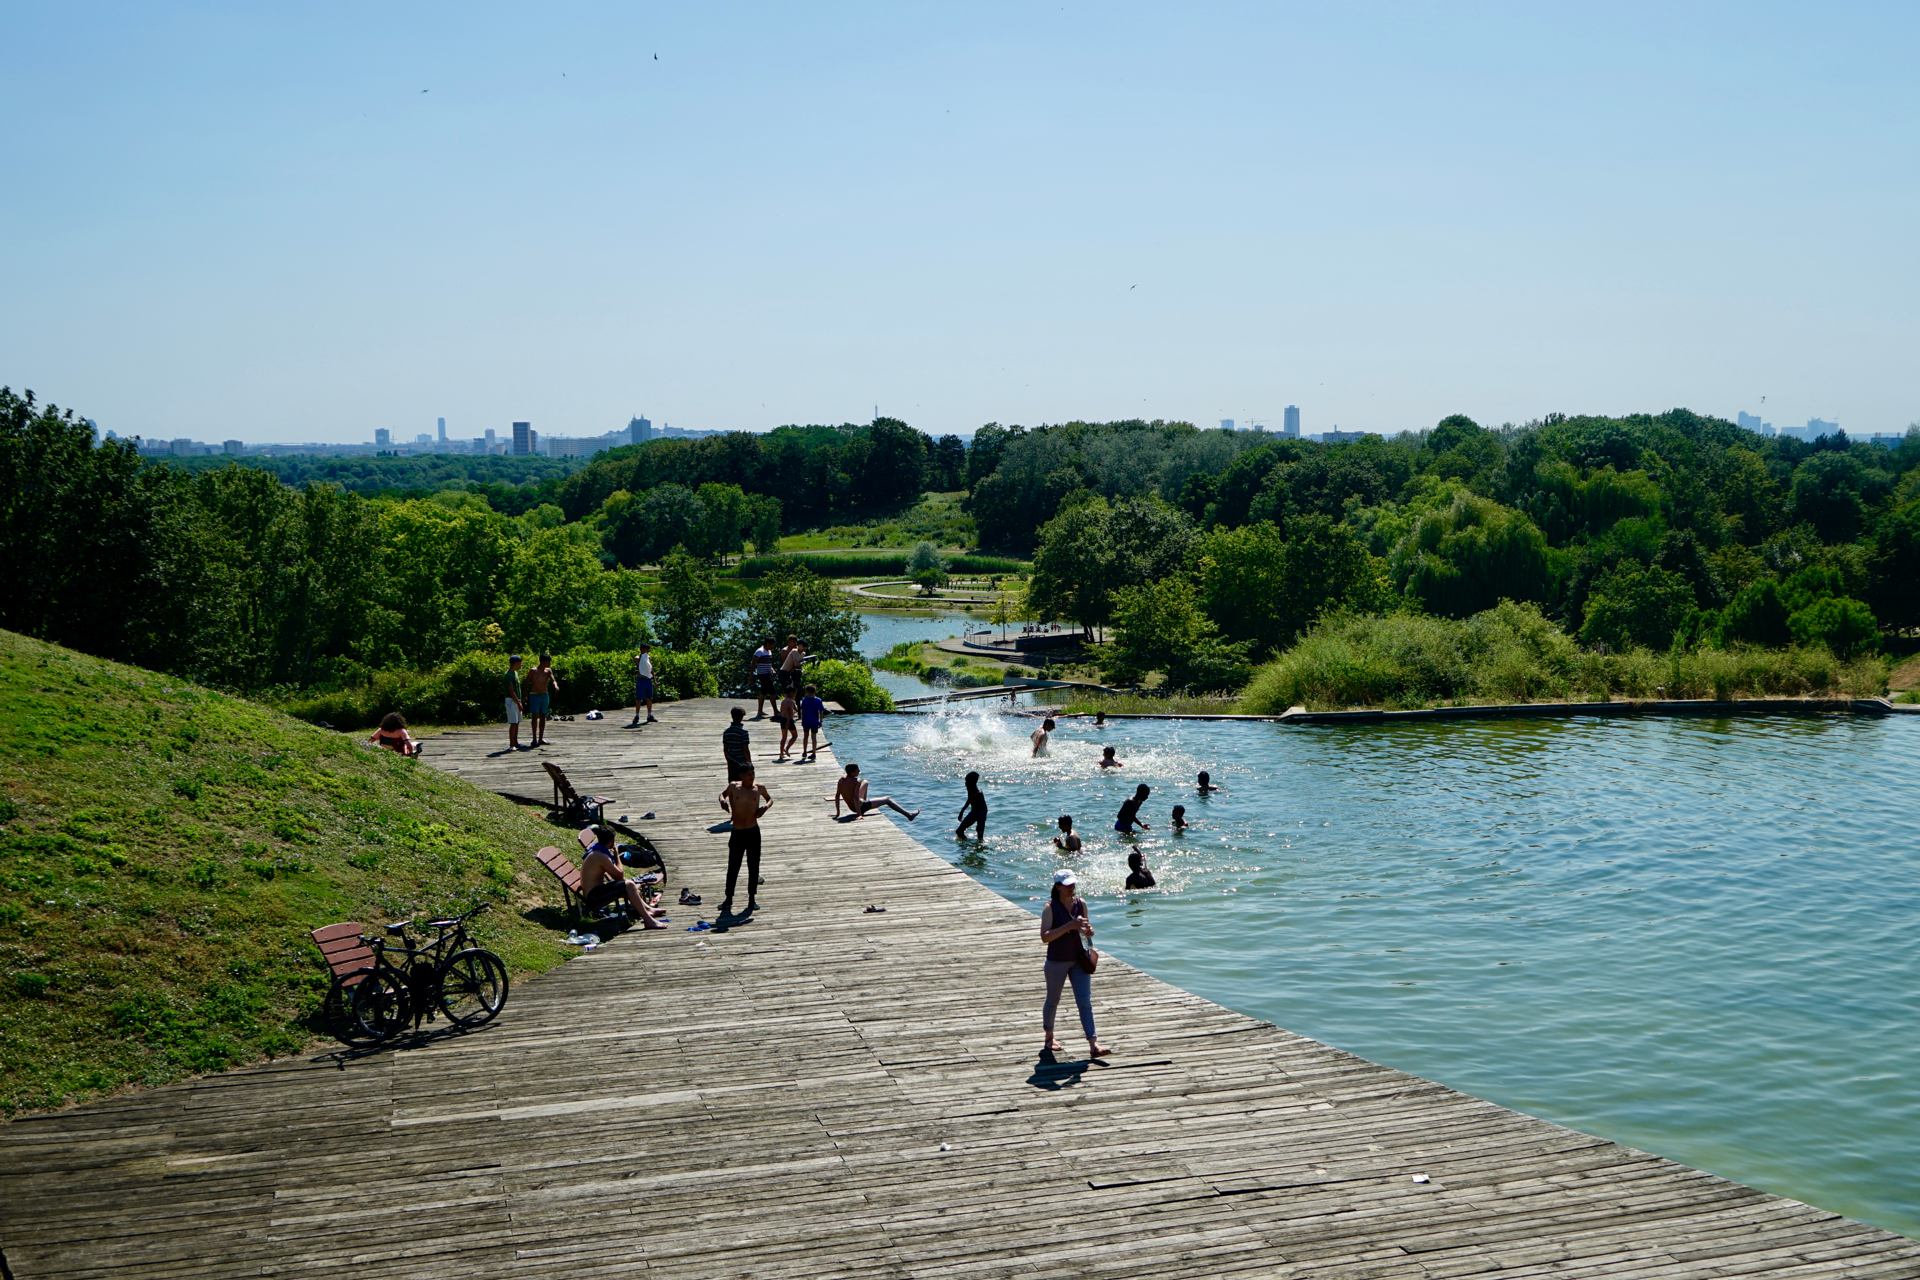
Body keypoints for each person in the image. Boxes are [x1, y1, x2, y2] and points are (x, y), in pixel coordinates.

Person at [1039, 869, 1110, 1058]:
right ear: (1058, 887)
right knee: (1053, 1000)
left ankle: (1093, 1044)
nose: (1072, 888)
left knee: (1085, 1002)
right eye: (1067, 885)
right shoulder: (1050, 908)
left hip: (1079, 959)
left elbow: (1086, 928)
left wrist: (1088, 931)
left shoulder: (1081, 904)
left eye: (1073, 884)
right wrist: (1069, 926)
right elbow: (1045, 937)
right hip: (1057, 960)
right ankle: (1049, 1038)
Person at [579, 824, 666, 928]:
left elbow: (617, 876)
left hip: (596, 891)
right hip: (594, 897)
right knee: (628, 884)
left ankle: (648, 910)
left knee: (629, 884)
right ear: (612, 840)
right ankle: (648, 921)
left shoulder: (597, 851)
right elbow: (619, 875)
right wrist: (616, 855)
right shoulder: (600, 856)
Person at [718, 765, 773, 916]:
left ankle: (752, 899)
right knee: (733, 865)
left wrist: (765, 807)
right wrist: (723, 801)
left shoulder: (759, 788)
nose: (751, 777)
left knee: (753, 865)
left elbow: (770, 799)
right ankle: (728, 898)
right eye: (749, 774)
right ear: (741, 776)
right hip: (737, 832)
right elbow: (721, 795)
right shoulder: (734, 787)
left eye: (753, 773)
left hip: (753, 831)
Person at [835, 762, 919, 821]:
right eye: (858, 771)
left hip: (852, 806)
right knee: (887, 799)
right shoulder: (857, 781)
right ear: (852, 772)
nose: (859, 772)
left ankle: (864, 802)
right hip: (861, 807)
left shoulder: (841, 780)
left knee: (865, 782)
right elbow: (855, 798)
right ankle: (909, 815)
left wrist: (838, 813)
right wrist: (859, 814)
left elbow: (837, 796)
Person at [525, 652, 559, 748]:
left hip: (544, 695)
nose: (549, 664)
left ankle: (541, 739)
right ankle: (534, 739)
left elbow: (553, 680)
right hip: (534, 695)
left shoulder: (548, 671)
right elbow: (527, 683)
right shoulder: (533, 671)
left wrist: (555, 685)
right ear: (543, 661)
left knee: (543, 716)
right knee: (535, 716)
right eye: (548, 662)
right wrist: (525, 696)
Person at [629, 643, 657, 726]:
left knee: (649, 698)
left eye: (647, 649)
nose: (646, 651)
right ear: (641, 649)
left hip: (648, 680)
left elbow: (651, 669)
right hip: (641, 680)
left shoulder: (648, 658)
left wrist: (655, 680)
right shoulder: (638, 657)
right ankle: (637, 716)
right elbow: (637, 662)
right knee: (638, 698)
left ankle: (649, 715)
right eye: (645, 649)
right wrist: (641, 658)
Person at [722, 706, 752, 782]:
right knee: (743, 783)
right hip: (742, 763)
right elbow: (745, 750)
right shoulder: (743, 733)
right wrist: (749, 762)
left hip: (731, 761)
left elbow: (725, 749)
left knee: (732, 782)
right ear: (741, 718)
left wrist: (728, 759)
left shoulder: (726, 732)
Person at [503, 654, 526, 751]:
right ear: (515, 663)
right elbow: (511, 691)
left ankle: (516, 742)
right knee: (513, 722)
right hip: (512, 701)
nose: (521, 665)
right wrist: (518, 702)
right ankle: (511, 744)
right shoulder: (508, 675)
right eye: (520, 663)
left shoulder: (515, 673)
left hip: (517, 700)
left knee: (517, 722)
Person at [955, 770, 987, 839]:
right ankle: (967, 844)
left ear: (971, 782)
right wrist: (962, 811)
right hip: (975, 811)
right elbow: (969, 799)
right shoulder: (970, 789)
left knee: (979, 835)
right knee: (959, 831)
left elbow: (970, 799)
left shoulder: (977, 792)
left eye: (966, 781)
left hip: (981, 812)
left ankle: (968, 845)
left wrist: (962, 811)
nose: (965, 783)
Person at [798, 684, 826, 761]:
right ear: (814, 691)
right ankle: (814, 753)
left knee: (805, 737)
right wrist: (821, 721)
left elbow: (802, 711)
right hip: (814, 721)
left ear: (807, 692)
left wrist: (801, 720)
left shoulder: (804, 700)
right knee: (814, 738)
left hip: (806, 721)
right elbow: (821, 711)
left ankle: (804, 751)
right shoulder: (818, 700)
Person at [751, 639, 778, 717]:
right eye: (772, 644)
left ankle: (760, 711)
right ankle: (775, 711)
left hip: (768, 674)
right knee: (773, 693)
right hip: (763, 674)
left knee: (763, 692)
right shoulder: (759, 651)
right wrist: (751, 674)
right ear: (767, 643)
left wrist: (772, 670)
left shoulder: (769, 651)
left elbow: (769, 663)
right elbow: (753, 663)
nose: (773, 646)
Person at [775, 687, 799, 761]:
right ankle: (787, 749)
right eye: (794, 693)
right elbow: (790, 712)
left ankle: (781, 753)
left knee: (784, 737)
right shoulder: (791, 701)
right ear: (791, 693)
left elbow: (781, 710)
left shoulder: (784, 701)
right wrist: (788, 722)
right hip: (788, 720)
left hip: (782, 719)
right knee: (795, 736)